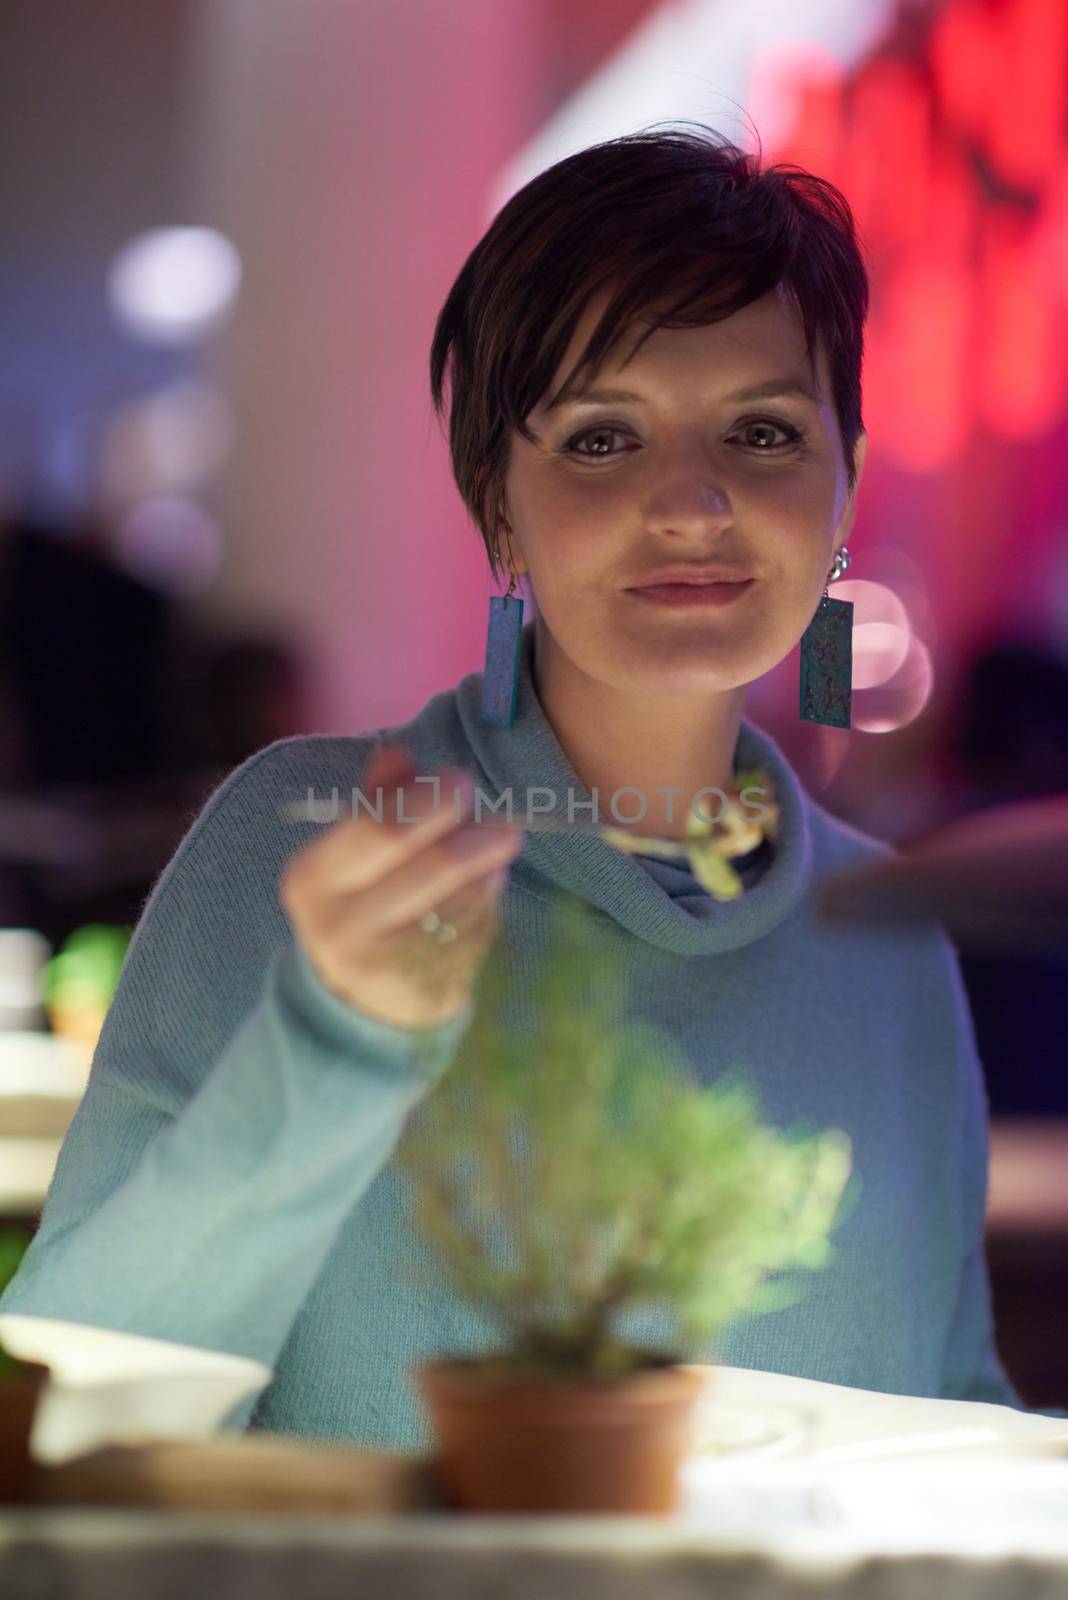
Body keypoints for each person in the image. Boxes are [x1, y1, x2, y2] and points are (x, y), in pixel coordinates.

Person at [3, 124, 1056, 1446]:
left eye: (765, 431)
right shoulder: (310, 848)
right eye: (605, 439)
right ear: (497, 499)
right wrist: (338, 1037)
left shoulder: (888, 936)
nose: (693, 505)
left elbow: (947, 1410)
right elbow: (66, 1408)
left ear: (844, 481)